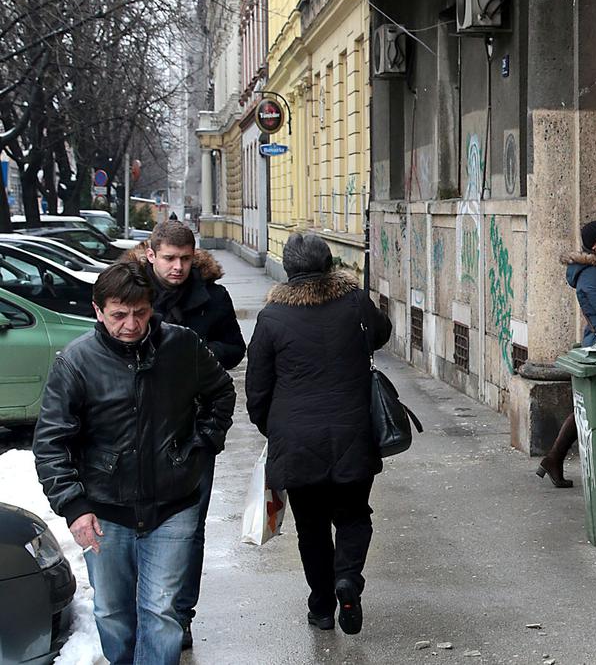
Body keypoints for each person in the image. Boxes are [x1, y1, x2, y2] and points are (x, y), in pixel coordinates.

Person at [33, 261, 235, 665]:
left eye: (140, 312)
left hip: (174, 503)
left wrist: (199, 444)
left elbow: (221, 393)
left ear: (151, 306)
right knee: (112, 612)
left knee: (161, 612)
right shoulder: (75, 362)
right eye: (118, 315)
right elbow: (51, 442)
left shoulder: (183, 346)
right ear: (98, 311)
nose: (130, 325)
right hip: (104, 510)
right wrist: (75, 506)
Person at [245, 232, 391, 635]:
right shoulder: (355, 303)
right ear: (329, 265)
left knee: (311, 527)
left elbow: (257, 390)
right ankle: (348, 579)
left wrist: (273, 429)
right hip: (353, 433)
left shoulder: (272, 317)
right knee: (354, 515)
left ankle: (322, 607)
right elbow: (381, 333)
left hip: (297, 442)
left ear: (288, 270)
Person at [124, 219, 245, 649]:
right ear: (151, 255)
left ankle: (180, 614)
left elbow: (235, 348)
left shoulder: (212, 298)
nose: (178, 267)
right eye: (170, 259)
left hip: (191, 429)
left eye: (186, 259)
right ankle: (145, 610)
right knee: (137, 522)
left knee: (189, 528)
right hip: (134, 429)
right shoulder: (131, 297)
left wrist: (196, 357)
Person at [537, 220, 596, 488]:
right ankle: (556, 457)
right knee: (588, 407)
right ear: (594, 244)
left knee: (586, 407)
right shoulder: (592, 274)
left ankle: (554, 458)